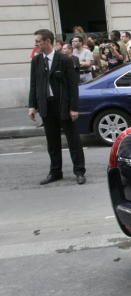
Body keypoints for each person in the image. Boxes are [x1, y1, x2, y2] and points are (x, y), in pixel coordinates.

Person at [28, 29, 86, 185]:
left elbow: (73, 86)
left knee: (73, 140)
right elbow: (34, 84)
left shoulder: (64, 60)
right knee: (52, 142)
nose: (35, 44)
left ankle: (79, 171)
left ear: (47, 41)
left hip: (64, 106)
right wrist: (32, 106)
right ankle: (55, 172)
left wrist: (73, 108)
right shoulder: (36, 61)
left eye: (38, 41)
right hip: (46, 106)